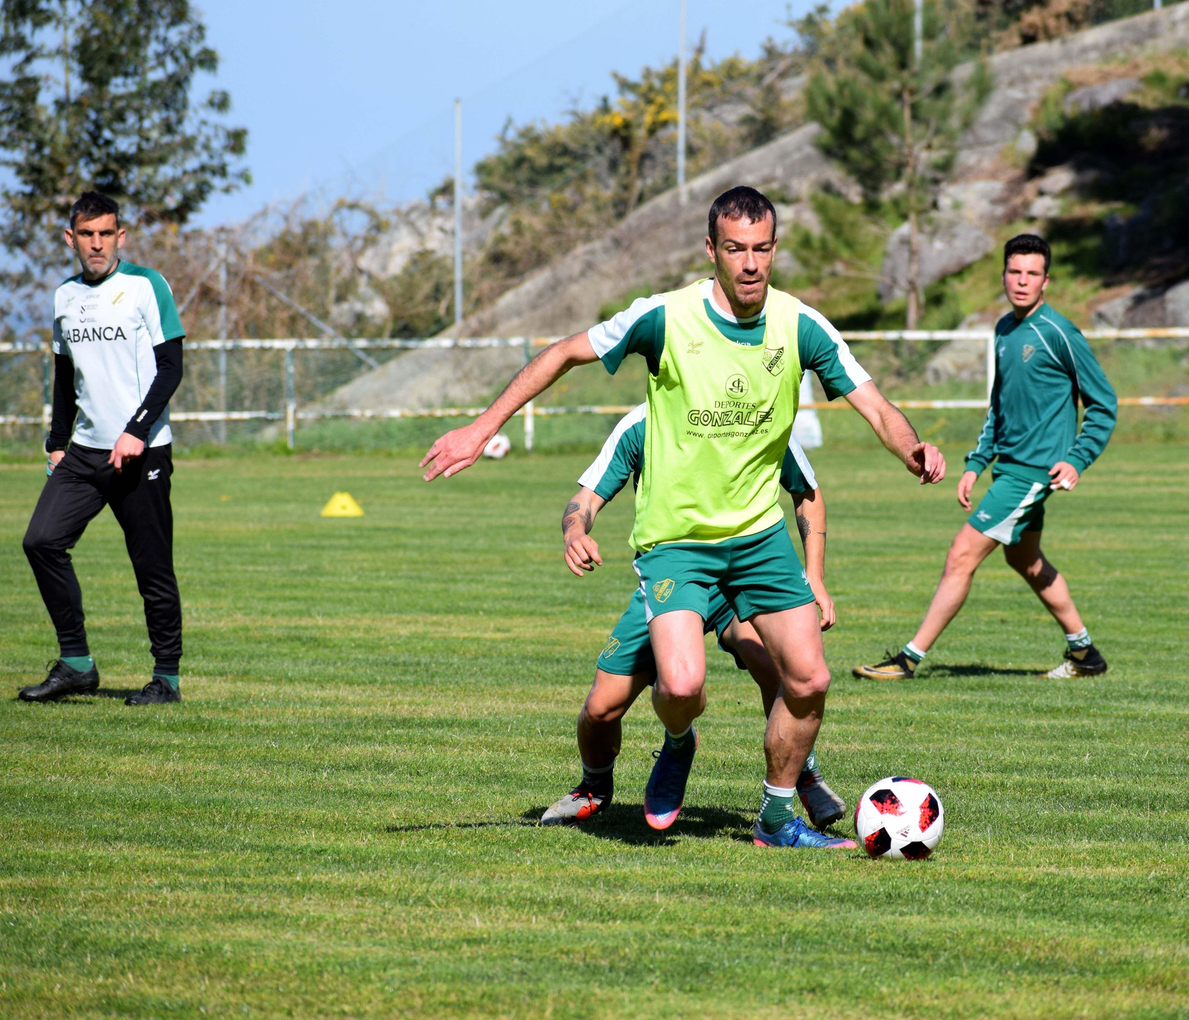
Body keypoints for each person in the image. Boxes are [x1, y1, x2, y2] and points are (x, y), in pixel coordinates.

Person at [422, 185, 945, 848]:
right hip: (678, 546)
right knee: (680, 685)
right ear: (712, 250)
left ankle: (779, 817)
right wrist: (480, 428)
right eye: (735, 249)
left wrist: (911, 446)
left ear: (774, 249)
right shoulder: (666, 319)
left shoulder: (799, 325)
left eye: (761, 249)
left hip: (758, 542)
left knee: (808, 678)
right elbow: (562, 353)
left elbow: (872, 403)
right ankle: (675, 738)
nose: (750, 264)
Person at [540, 404, 846, 830]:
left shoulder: (756, 407)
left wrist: (814, 575)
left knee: (779, 666)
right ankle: (604, 781)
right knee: (600, 710)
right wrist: (575, 531)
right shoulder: (644, 422)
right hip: (675, 574)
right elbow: (586, 497)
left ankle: (802, 772)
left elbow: (806, 490)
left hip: (741, 576)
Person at [854, 232, 1116, 682]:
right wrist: (975, 464)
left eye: (1032, 274)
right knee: (1025, 560)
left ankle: (908, 659)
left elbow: (1104, 403)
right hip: (1008, 469)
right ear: (1003, 275)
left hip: (1032, 473)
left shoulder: (1058, 332)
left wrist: (1077, 458)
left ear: (1046, 281)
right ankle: (1084, 654)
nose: (1022, 281)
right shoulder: (1004, 330)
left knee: (961, 555)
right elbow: (998, 407)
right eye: (1015, 271)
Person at [18, 191, 187, 706]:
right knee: (41, 541)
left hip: (142, 451)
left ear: (121, 235)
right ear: (71, 238)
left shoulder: (145, 285)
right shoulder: (64, 297)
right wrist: (55, 442)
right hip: (86, 453)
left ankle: (167, 679)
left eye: (106, 233)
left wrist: (136, 430)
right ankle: (75, 664)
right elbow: (65, 374)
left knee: (151, 568)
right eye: (87, 234)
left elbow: (171, 367)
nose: (97, 243)